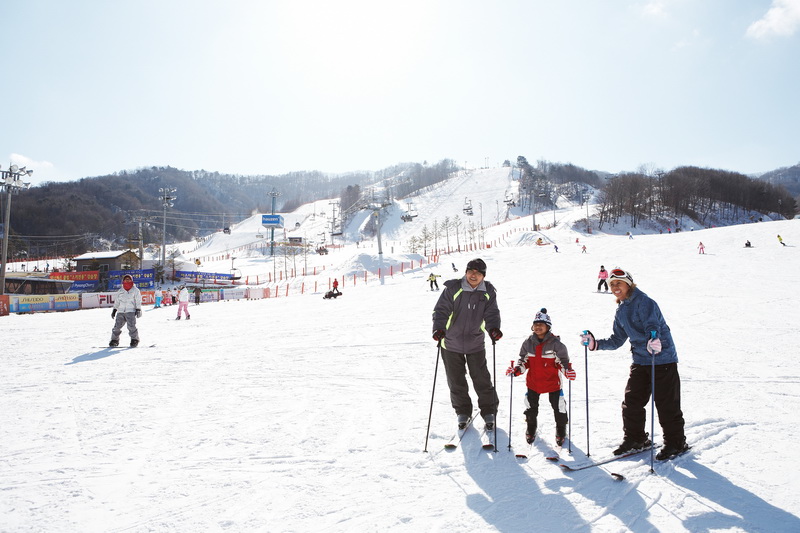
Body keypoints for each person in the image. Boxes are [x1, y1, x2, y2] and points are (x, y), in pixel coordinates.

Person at [581, 268, 688, 461]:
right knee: (632, 402)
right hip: (640, 360)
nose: (615, 287)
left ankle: (676, 442)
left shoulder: (644, 302)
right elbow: (616, 340)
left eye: (618, 283)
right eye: (612, 284)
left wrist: (653, 339)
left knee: (666, 404)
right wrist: (596, 344)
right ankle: (636, 438)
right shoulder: (621, 310)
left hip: (661, 359)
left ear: (629, 284)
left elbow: (652, 325)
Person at [432, 258, 502, 431]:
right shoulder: (453, 288)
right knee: (456, 381)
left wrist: (493, 329)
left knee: (481, 378)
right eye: (471, 271)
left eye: (478, 273)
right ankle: (462, 411)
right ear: (465, 272)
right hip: (450, 343)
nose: (473, 275)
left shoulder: (488, 291)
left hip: (475, 343)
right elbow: (441, 310)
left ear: (483, 276)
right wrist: (439, 329)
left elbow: (491, 313)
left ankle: (489, 411)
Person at [506, 308, 575, 446]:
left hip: (552, 383)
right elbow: (524, 360)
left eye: (541, 324)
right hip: (533, 383)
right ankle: (531, 427)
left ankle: (561, 429)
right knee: (530, 407)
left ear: (547, 327)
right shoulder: (528, 343)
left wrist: (567, 371)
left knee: (559, 407)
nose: (538, 327)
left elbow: (562, 362)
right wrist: (517, 370)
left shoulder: (556, 344)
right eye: (535, 324)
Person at [109, 274, 142, 347]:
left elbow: (138, 300)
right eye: (126, 279)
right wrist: (114, 310)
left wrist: (138, 309)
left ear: (132, 280)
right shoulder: (120, 290)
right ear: (123, 281)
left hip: (130, 311)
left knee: (131, 326)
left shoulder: (135, 290)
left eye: (129, 279)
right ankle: (114, 340)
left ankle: (134, 340)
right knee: (117, 327)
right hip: (120, 311)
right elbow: (117, 301)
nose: (127, 280)